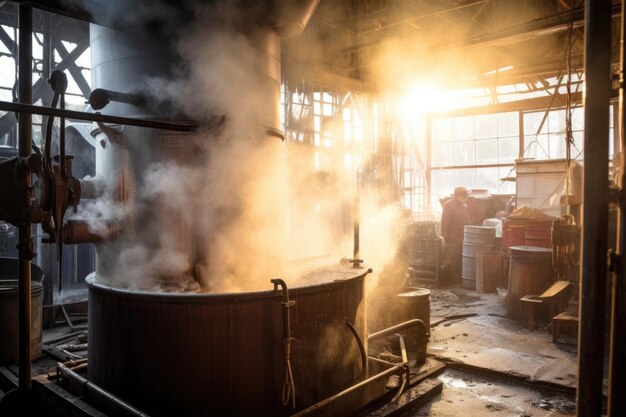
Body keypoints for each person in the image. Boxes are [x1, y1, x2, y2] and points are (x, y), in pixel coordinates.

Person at [441, 186, 470, 283]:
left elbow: (466, 220)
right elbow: (445, 222)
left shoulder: (464, 205)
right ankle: (452, 280)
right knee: (453, 259)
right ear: (457, 196)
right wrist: (446, 236)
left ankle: (459, 278)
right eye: (463, 196)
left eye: (465, 195)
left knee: (460, 258)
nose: (465, 197)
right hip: (453, 237)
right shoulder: (449, 205)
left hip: (462, 236)